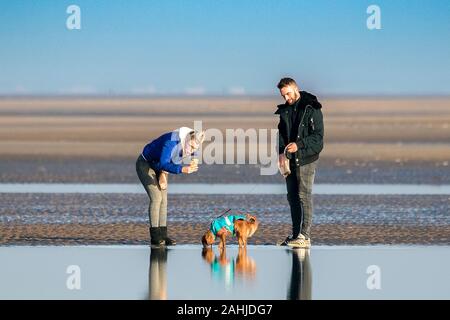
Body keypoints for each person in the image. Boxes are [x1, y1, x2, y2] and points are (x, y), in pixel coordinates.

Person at [275, 78, 324, 248]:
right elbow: (281, 135)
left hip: (306, 158)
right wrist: (281, 153)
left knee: (304, 195)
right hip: (289, 160)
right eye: (283, 95)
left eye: (288, 93)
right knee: (292, 197)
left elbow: (318, 139)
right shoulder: (285, 111)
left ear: (296, 88)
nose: (286, 98)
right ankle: (296, 235)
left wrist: (299, 145)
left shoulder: (312, 107)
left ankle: (305, 236)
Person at [136, 127, 205, 245]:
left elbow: (193, 151)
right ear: (185, 140)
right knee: (157, 198)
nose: (191, 151)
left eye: (195, 148)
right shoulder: (171, 142)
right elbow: (163, 163)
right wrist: (182, 169)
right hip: (146, 165)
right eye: (191, 147)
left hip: (162, 168)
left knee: (164, 200)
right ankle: (155, 237)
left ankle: (163, 235)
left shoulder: (189, 143)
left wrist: (194, 160)